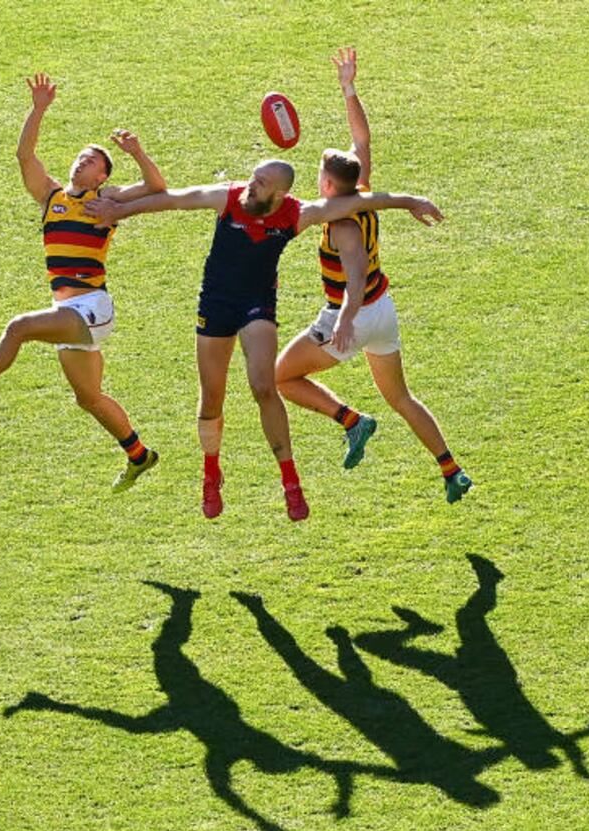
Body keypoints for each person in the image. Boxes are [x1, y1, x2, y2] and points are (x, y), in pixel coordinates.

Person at [85, 155, 443, 519]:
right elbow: (174, 199)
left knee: (264, 385)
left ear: (279, 194)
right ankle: (211, 474)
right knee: (212, 398)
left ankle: (291, 483)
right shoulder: (228, 197)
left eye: (261, 183)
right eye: (254, 177)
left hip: (257, 305)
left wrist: (411, 201)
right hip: (216, 302)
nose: (251, 185)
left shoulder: (296, 214)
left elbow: (362, 201)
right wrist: (119, 211)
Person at [0, 73, 166, 494]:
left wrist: (137, 153)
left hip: (92, 308)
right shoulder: (52, 198)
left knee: (19, 328)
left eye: (91, 161)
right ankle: (140, 456)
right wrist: (38, 109)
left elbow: (157, 188)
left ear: (102, 177)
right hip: (71, 311)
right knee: (89, 398)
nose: (80, 162)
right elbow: (24, 155)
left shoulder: (106, 201)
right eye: (80, 157)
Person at [275, 48, 472, 503]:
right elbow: (361, 142)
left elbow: (357, 274)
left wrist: (344, 319)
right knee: (401, 397)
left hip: (356, 312)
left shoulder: (340, 224)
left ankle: (351, 421)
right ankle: (451, 469)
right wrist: (348, 88)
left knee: (281, 377)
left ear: (327, 187)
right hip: (384, 312)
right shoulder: (360, 192)